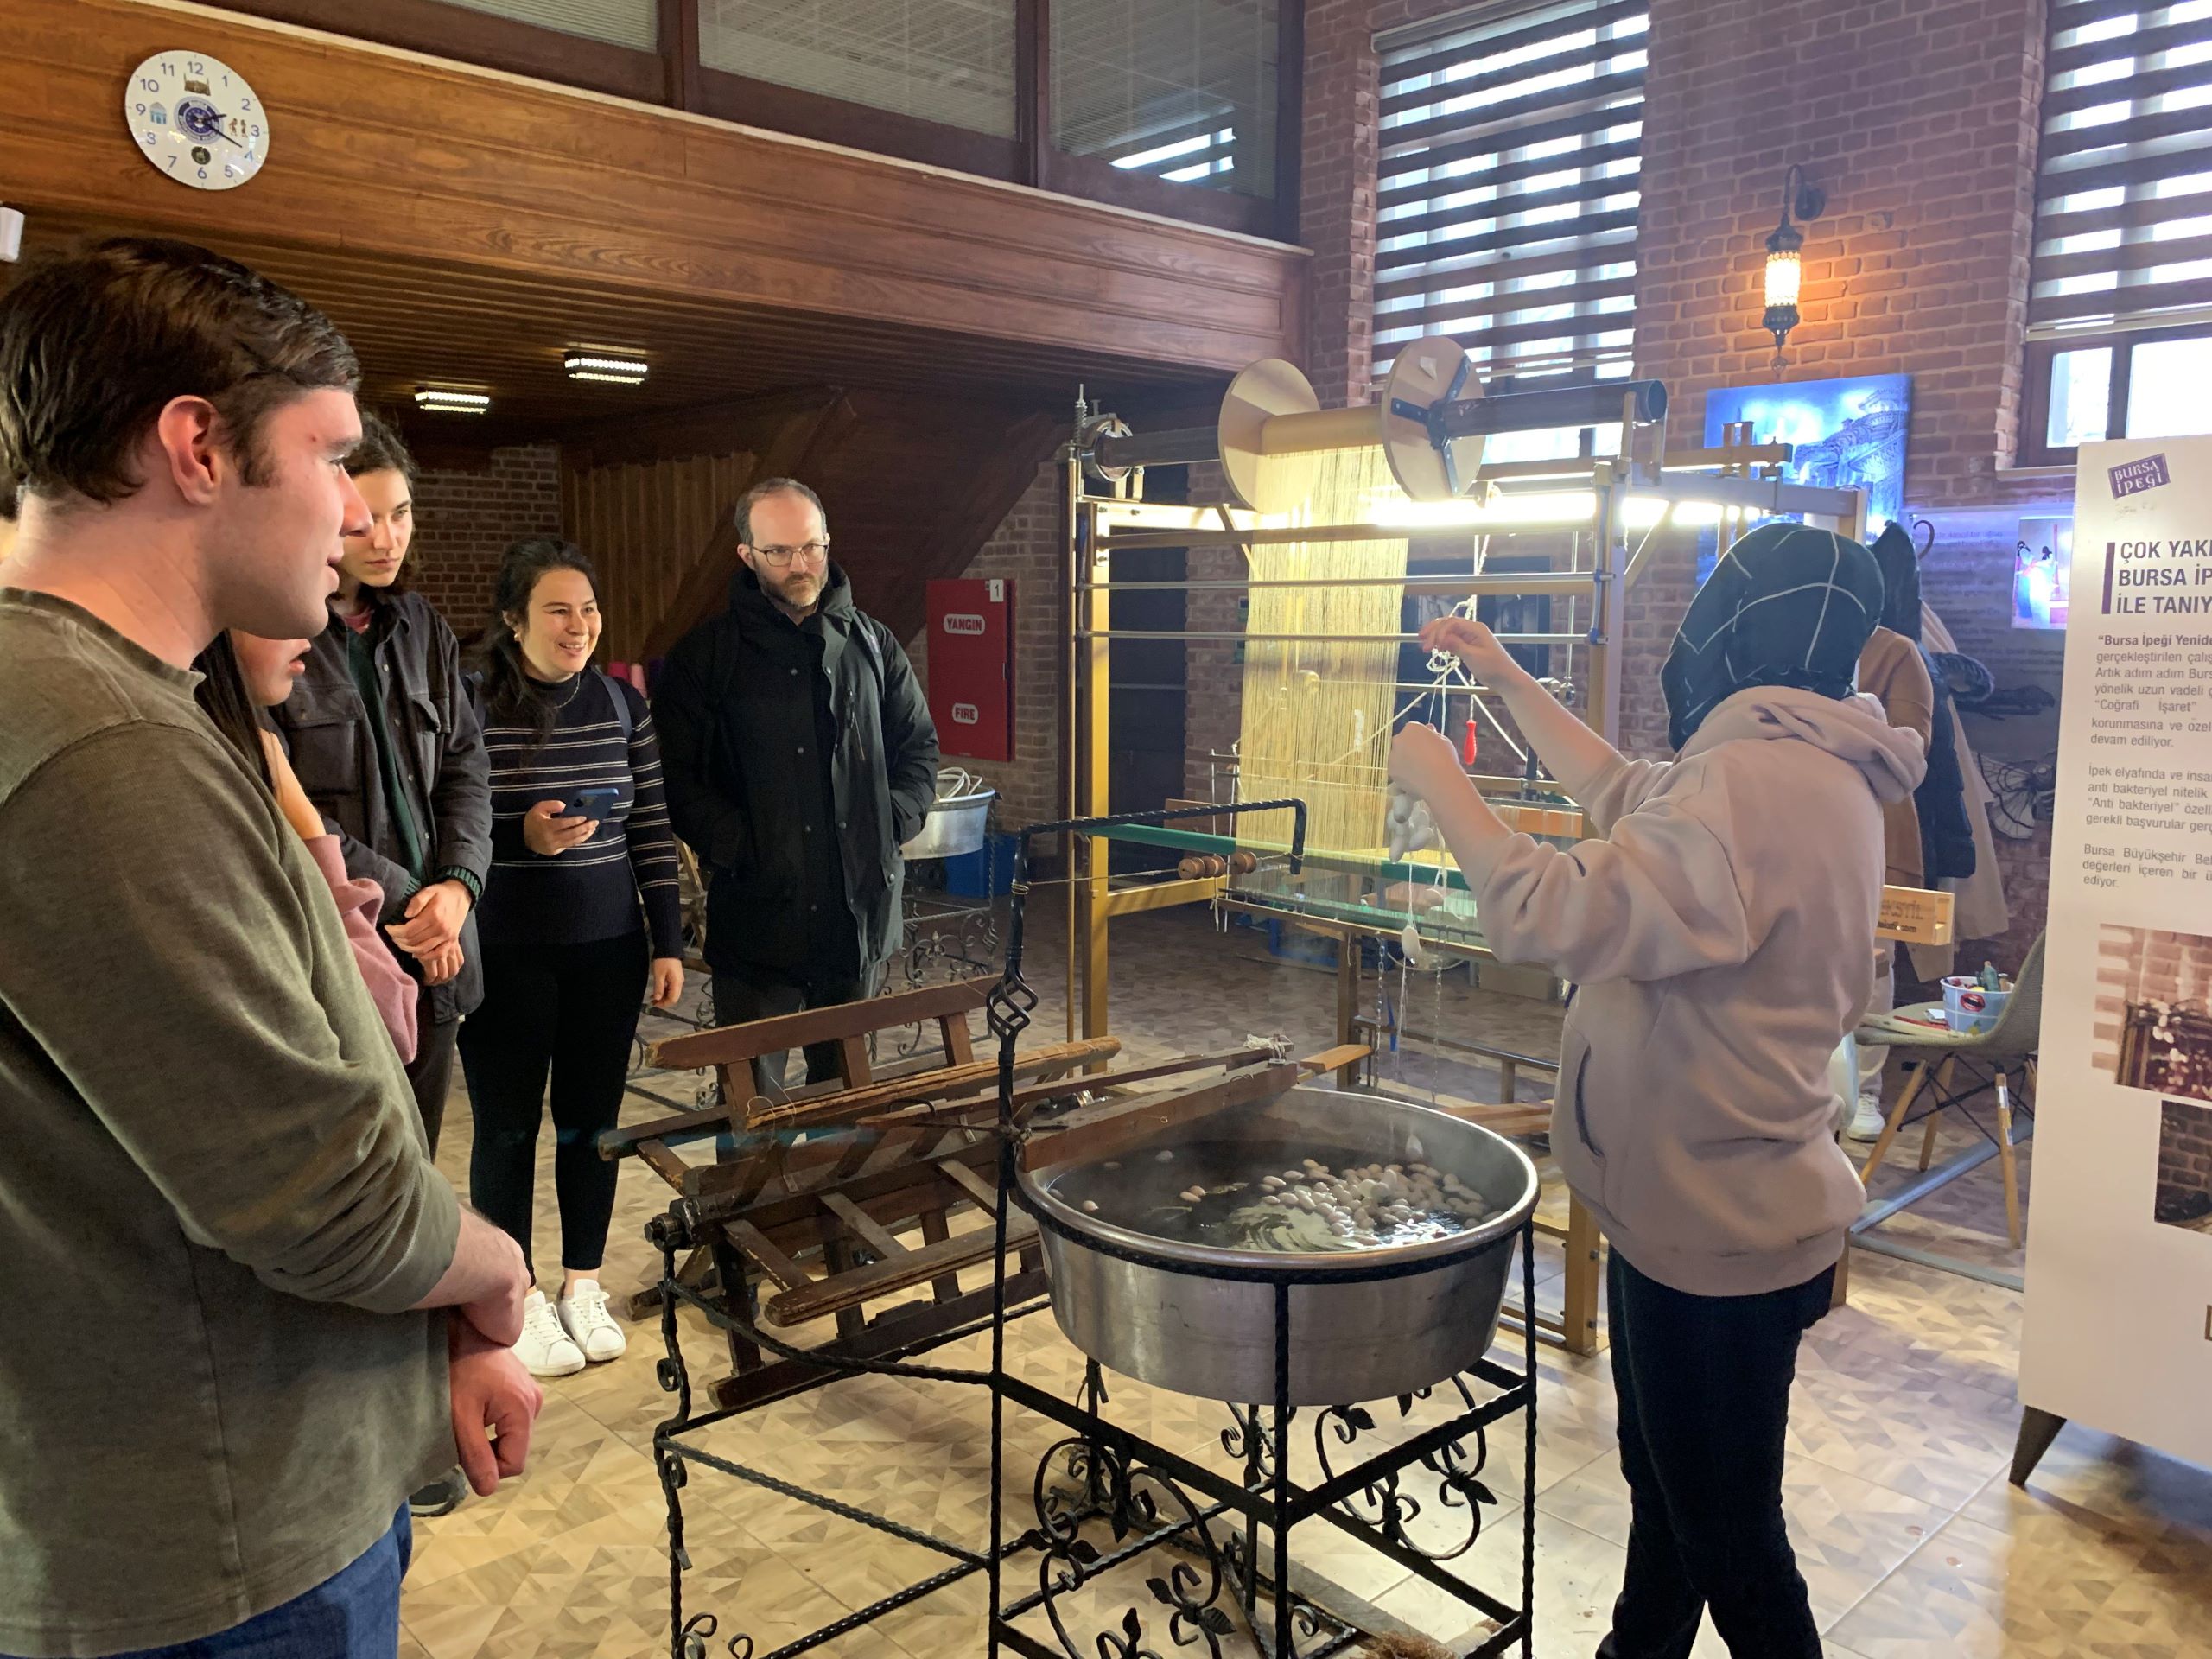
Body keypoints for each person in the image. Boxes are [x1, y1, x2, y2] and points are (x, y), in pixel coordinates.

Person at [0, 237, 539, 1659]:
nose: (355, 511)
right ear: (197, 448)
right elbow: (319, 1196)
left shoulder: (108, 704)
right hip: (220, 1548)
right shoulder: (100, 745)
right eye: (331, 455)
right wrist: (493, 1271)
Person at [1389, 522, 1926, 1659]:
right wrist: (1506, 679)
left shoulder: (1754, 781)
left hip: (1712, 1230)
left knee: (1731, 1542)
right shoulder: (1809, 761)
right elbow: (1628, 793)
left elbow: (1544, 912)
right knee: (1673, 1504)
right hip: (1715, 1207)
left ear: (1733, 631)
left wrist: (1439, 780)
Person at [461, 538, 686, 1377]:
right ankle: (513, 1292)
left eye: (588, 609)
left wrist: (667, 941)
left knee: (591, 1126)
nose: (579, 625)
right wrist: (517, 835)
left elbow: (651, 826)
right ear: (514, 620)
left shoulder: (622, 703)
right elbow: (448, 824)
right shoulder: (471, 704)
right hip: (505, 951)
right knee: (508, 1127)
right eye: (557, 610)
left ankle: (581, 1284)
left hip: (608, 951)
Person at [654, 478, 938, 1098]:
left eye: (810, 547)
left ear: (828, 542)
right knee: (753, 1113)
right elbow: (674, 778)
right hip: (759, 920)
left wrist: (889, 821)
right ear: (747, 554)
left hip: (856, 921)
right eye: (779, 552)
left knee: (844, 1104)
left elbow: (918, 750)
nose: (800, 564)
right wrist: (743, 845)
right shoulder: (705, 656)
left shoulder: (874, 644)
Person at [271, 412, 491, 1155]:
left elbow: (465, 768)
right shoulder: (274, 632)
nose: (387, 538)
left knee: (419, 1159)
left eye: (401, 514)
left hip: (441, 948)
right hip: (344, 947)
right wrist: (407, 899)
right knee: (356, 1164)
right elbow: (279, 803)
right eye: (364, 521)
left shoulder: (423, 625)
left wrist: (458, 885)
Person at [194, 629, 420, 1062]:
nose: (309, 638)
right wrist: (311, 830)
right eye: (280, 612)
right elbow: (388, 1018)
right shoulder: (237, 763)